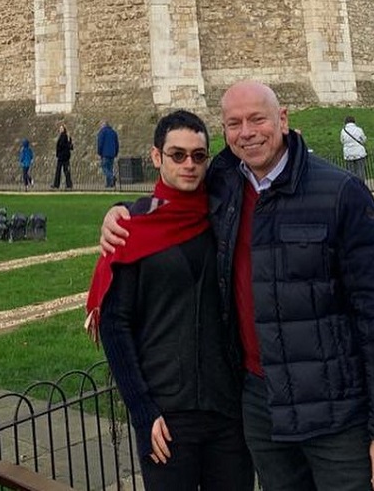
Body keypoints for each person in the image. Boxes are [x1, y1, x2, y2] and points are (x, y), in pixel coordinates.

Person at [101, 80, 374, 491]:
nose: (246, 132)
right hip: (261, 407)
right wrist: (123, 211)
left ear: (283, 119)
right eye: (234, 123)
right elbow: (172, 203)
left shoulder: (341, 193)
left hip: (334, 409)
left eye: (257, 119)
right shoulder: (227, 184)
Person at [87, 110, 253, 491]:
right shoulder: (132, 225)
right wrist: (143, 412)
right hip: (166, 415)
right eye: (177, 155)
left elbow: (246, 154)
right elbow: (115, 325)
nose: (189, 164)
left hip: (227, 409)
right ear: (156, 157)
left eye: (198, 156)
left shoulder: (223, 216)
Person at [339, 115, 367, 182]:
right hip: (359, 152)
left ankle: (353, 184)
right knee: (360, 170)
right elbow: (363, 140)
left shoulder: (343, 131)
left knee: (350, 171)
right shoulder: (359, 129)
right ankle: (361, 184)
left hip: (348, 153)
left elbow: (342, 141)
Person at [97, 119, 120, 189]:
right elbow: (117, 144)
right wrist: (116, 152)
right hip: (112, 153)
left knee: (104, 168)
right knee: (109, 168)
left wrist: (99, 152)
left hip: (105, 153)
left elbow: (100, 143)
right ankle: (109, 184)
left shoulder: (102, 132)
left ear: (103, 125)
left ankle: (112, 177)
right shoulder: (114, 132)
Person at [51, 122, 73, 189]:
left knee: (60, 171)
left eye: (61, 128)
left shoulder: (63, 136)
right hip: (64, 156)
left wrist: (58, 151)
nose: (60, 129)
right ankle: (68, 184)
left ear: (64, 129)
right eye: (60, 128)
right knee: (66, 171)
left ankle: (57, 184)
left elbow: (61, 145)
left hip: (62, 156)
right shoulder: (65, 136)